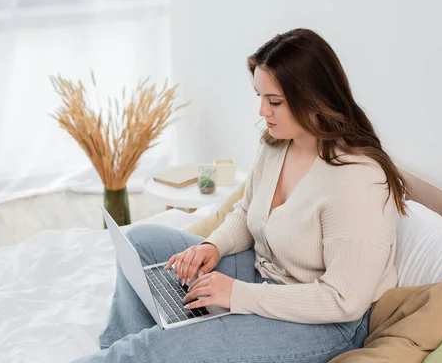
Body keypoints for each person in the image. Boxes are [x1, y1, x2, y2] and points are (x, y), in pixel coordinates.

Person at [73, 28, 408, 363]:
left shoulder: (358, 181)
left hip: (324, 322)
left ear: (313, 98)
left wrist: (238, 295)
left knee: (158, 347)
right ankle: (118, 351)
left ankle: (142, 353)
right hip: (263, 274)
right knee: (141, 241)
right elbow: (247, 212)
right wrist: (212, 246)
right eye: (260, 97)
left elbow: (343, 301)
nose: (263, 111)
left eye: (274, 101)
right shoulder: (277, 144)